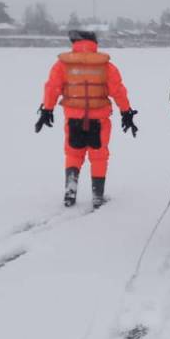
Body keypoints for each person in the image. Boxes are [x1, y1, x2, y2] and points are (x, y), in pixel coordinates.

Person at [35, 30, 138, 208]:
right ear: (94, 43)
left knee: (73, 153)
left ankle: (70, 191)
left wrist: (47, 109)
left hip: (73, 117)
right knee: (99, 156)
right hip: (99, 118)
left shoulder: (62, 64)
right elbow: (118, 90)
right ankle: (98, 196)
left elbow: (52, 88)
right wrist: (126, 112)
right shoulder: (106, 66)